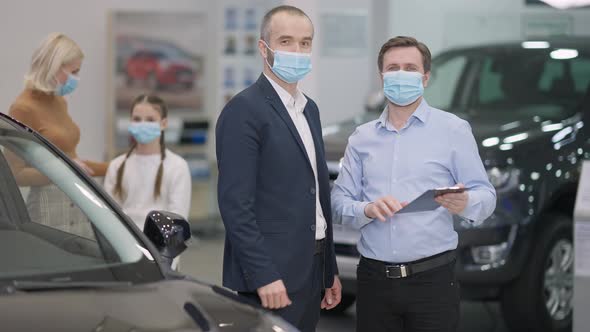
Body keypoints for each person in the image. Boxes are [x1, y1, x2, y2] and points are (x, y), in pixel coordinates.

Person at [331, 36, 497, 332]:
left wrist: (466, 202)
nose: (401, 74)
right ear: (381, 76)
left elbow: (486, 195)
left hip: (432, 281)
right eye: (393, 68)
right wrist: (367, 209)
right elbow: (339, 202)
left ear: (425, 77)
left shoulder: (453, 130)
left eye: (410, 68)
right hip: (373, 281)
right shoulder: (362, 137)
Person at [215, 5, 341, 331]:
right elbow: (235, 204)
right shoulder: (244, 110)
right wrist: (264, 274)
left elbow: (317, 195)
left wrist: (329, 270)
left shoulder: (308, 109)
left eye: (305, 42)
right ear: (264, 48)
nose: (297, 51)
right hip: (271, 277)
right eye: (285, 41)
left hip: (312, 268)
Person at [8, 33, 108, 238]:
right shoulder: (23, 108)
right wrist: (64, 171)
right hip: (48, 207)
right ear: (53, 67)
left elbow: (72, 160)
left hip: (77, 199)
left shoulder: (59, 101)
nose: (76, 79)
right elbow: (15, 174)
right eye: (74, 71)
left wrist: (115, 167)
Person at [104, 94, 191, 269]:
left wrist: (165, 264)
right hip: (123, 254)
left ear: (164, 123)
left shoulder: (177, 166)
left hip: (161, 259)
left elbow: (177, 222)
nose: (142, 124)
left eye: (150, 119)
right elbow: (108, 218)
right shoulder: (116, 165)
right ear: (130, 122)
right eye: (137, 119)